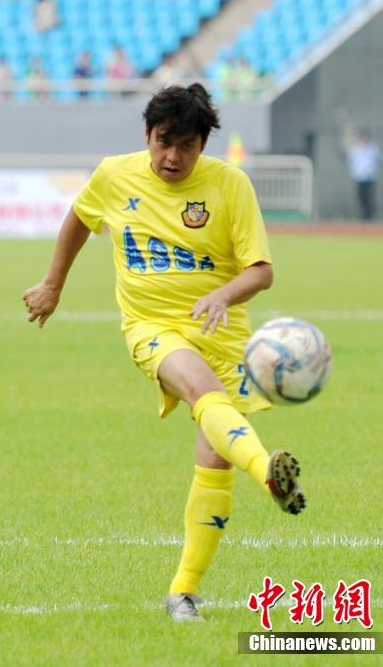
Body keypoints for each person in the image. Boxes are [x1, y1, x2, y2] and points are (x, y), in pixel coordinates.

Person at [22, 83, 306, 623]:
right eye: (163, 142)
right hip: (153, 327)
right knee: (202, 390)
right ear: (147, 135)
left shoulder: (230, 185)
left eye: (186, 146)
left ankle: (184, 593)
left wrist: (222, 295)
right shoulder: (115, 175)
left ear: (203, 145)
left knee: (213, 462)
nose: (172, 156)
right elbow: (79, 218)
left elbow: (262, 271)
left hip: (223, 333)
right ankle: (267, 473)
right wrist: (52, 284)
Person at [346, 128, 382, 221]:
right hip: (359, 177)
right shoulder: (354, 149)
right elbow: (350, 161)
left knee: (370, 197)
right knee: (361, 197)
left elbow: (379, 160)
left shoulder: (374, 148)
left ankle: (370, 217)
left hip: (370, 176)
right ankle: (363, 217)